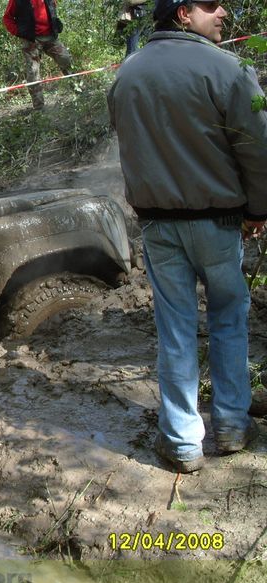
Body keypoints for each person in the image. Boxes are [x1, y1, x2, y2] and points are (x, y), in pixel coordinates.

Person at [107, 0, 267, 473]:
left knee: (174, 328)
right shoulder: (230, 69)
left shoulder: (127, 73)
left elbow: (128, 144)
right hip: (218, 223)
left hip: (158, 225)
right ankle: (233, 425)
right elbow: (258, 148)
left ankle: (181, 442)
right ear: (182, 14)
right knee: (228, 318)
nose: (223, 12)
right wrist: (258, 209)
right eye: (211, 5)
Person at [2, 0, 73, 110]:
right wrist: (18, 32)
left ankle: (77, 90)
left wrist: (55, 22)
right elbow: (7, 18)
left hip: (50, 37)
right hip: (31, 40)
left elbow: (52, 7)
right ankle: (39, 108)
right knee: (33, 72)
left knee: (65, 59)